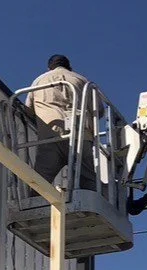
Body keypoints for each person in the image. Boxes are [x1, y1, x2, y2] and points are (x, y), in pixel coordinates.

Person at [25, 54, 93, 189]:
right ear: (69, 67)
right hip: (80, 135)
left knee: (39, 184)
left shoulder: (39, 80)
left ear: (49, 68)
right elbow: (99, 111)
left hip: (50, 136)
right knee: (89, 182)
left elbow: (28, 109)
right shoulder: (82, 81)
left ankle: (36, 204)